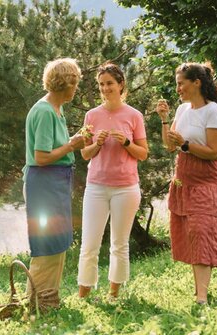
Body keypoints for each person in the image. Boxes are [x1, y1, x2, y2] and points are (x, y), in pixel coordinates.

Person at [156, 62, 217, 305]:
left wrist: (186, 144)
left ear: (196, 83)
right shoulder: (181, 111)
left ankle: (202, 297)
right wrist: (164, 120)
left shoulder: (213, 111)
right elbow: (171, 146)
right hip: (185, 178)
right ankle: (199, 291)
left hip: (207, 179)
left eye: (181, 83)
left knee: (201, 231)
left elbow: (215, 152)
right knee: (193, 233)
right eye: (177, 83)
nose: (178, 88)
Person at [77, 63, 148, 299]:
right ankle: (84, 294)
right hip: (96, 187)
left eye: (109, 83)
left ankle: (114, 293)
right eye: (101, 84)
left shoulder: (134, 115)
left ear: (121, 85)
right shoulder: (92, 115)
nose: (105, 88)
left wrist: (127, 143)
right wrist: (97, 144)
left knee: (119, 244)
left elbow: (143, 153)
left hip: (126, 188)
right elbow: (84, 154)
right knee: (89, 244)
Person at [23, 58, 85, 301]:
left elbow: (56, 147)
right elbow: (41, 157)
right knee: (47, 243)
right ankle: (37, 301)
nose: (76, 88)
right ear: (65, 83)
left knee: (57, 241)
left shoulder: (58, 110)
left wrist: (74, 141)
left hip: (55, 181)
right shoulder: (45, 111)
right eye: (75, 83)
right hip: (44, 183)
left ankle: (50, 297)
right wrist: (72, 145)